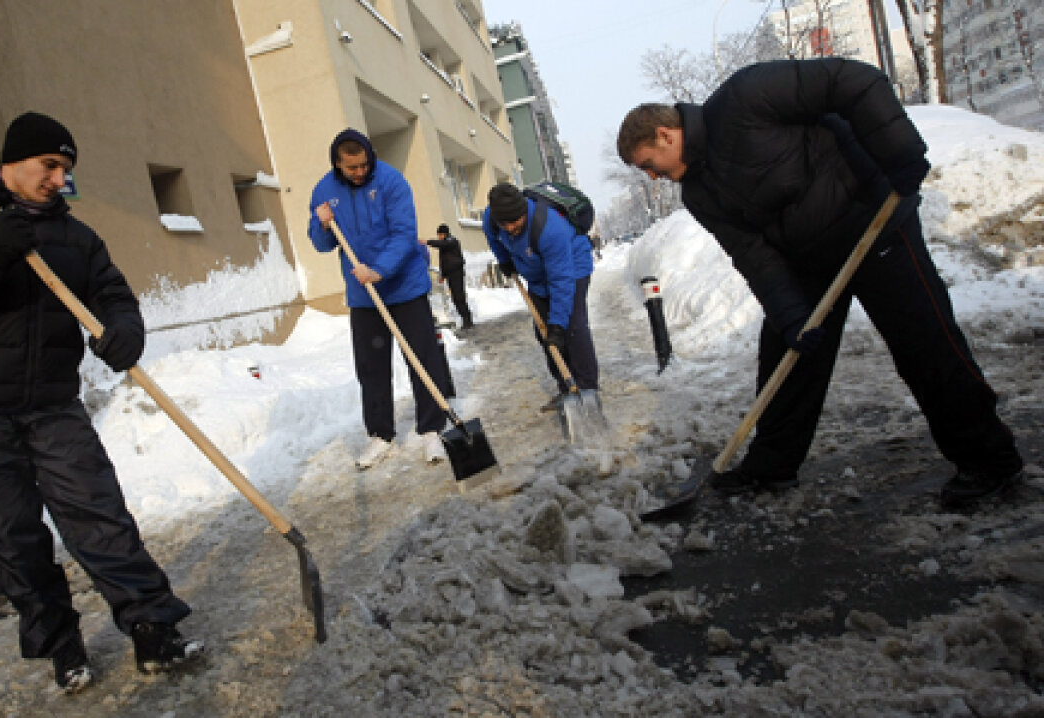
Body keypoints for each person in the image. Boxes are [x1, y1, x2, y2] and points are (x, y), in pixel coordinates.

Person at [616, 58, 1023, 507]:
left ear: (666, 135)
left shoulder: (746, 97)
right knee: (787, 356)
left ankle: (988, 459)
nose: (651, 177)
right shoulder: (699, 192)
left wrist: (898, 151)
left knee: (924, 344)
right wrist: (791, 316)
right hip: (808, 260)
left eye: (648, 164)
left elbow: (852, 81)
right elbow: (753, 255)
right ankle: (771, 467)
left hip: (874, 224)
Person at [0, 112, 202, 693]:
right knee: (8, 537)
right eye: (50, 166)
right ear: (12, 160)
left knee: (100, 517)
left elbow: (111, 292)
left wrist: (124, 328)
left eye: (66, 169)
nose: (60, 180)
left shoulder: (74, 237)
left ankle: (153, 627)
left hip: (52, 405)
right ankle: (62, 645)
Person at [308, 128, 450, 469]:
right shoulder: (324, 191)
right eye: (351, 167)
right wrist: (321, 224)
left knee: (422, 358)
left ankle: (432, 429)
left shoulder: (391, 181)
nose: (359, 172)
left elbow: (404, 234)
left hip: (404, 287)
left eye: (364, 165)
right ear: (338, 164)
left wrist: (379, 270)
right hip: (364, 297)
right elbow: (322, 245)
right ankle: (380, 434)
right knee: (371, 368)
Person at [482, 183, 599, 412]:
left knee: (571, 327)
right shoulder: (492, 218)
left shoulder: (549, 228)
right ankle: (566, 388)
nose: (510, 228)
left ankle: (587, 390)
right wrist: (504, 260)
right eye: (504, 224)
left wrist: (558, 324)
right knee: (544, 333)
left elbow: (561, 280)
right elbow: (493, 237)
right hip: (536, 275)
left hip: (572, 268)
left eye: (515, 221)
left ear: (524, 211)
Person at [423, 223, 473, 331]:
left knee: (459, 296)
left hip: (457, 273)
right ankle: (465, 318)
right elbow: (444, 261)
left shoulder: (452, 241)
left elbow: (444, 244)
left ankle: (467, 319)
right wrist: (443, 275)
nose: (439, 237)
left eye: (440, 234)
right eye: (438, 235)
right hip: (450, 274)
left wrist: (427, 242)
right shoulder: (444, 245)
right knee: (455, 297)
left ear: (445, 234)